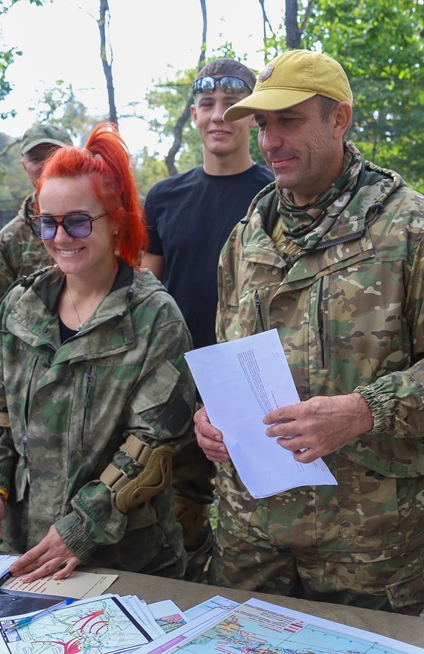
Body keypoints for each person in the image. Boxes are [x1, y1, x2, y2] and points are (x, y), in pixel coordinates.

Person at [194, 49, 424, 613]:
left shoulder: (414, 228)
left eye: (289, 121)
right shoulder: (247, 236)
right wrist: (211, 415)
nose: (270, 141)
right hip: (252, 531)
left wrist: (363, 411)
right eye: (262, 124)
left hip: (368, 537)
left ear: (339, 119)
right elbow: (228, 354)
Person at [0, 123, 196, 583]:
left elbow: (153, 443)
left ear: (116, 220)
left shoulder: (155, 318)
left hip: (126, 561)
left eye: (77, 221)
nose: (60, 237)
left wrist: (82, 527)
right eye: (47, 222)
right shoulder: (20, 305)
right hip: (27, 551)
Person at [142, 58, 273, 579]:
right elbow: (146, 296)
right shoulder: (164, 198)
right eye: (207, 104)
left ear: (253, 116)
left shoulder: (275, 196)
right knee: (176, 515)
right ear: (194, 114)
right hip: (176, 383)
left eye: (233, 105)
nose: (219, 116)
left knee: (260, 522)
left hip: (253, 385)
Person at [0, 122, 73, 305]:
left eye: (55, 156)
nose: (47, 165)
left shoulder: (102, 222)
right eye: (36, 159)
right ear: (24, 166)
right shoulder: (11, 238)